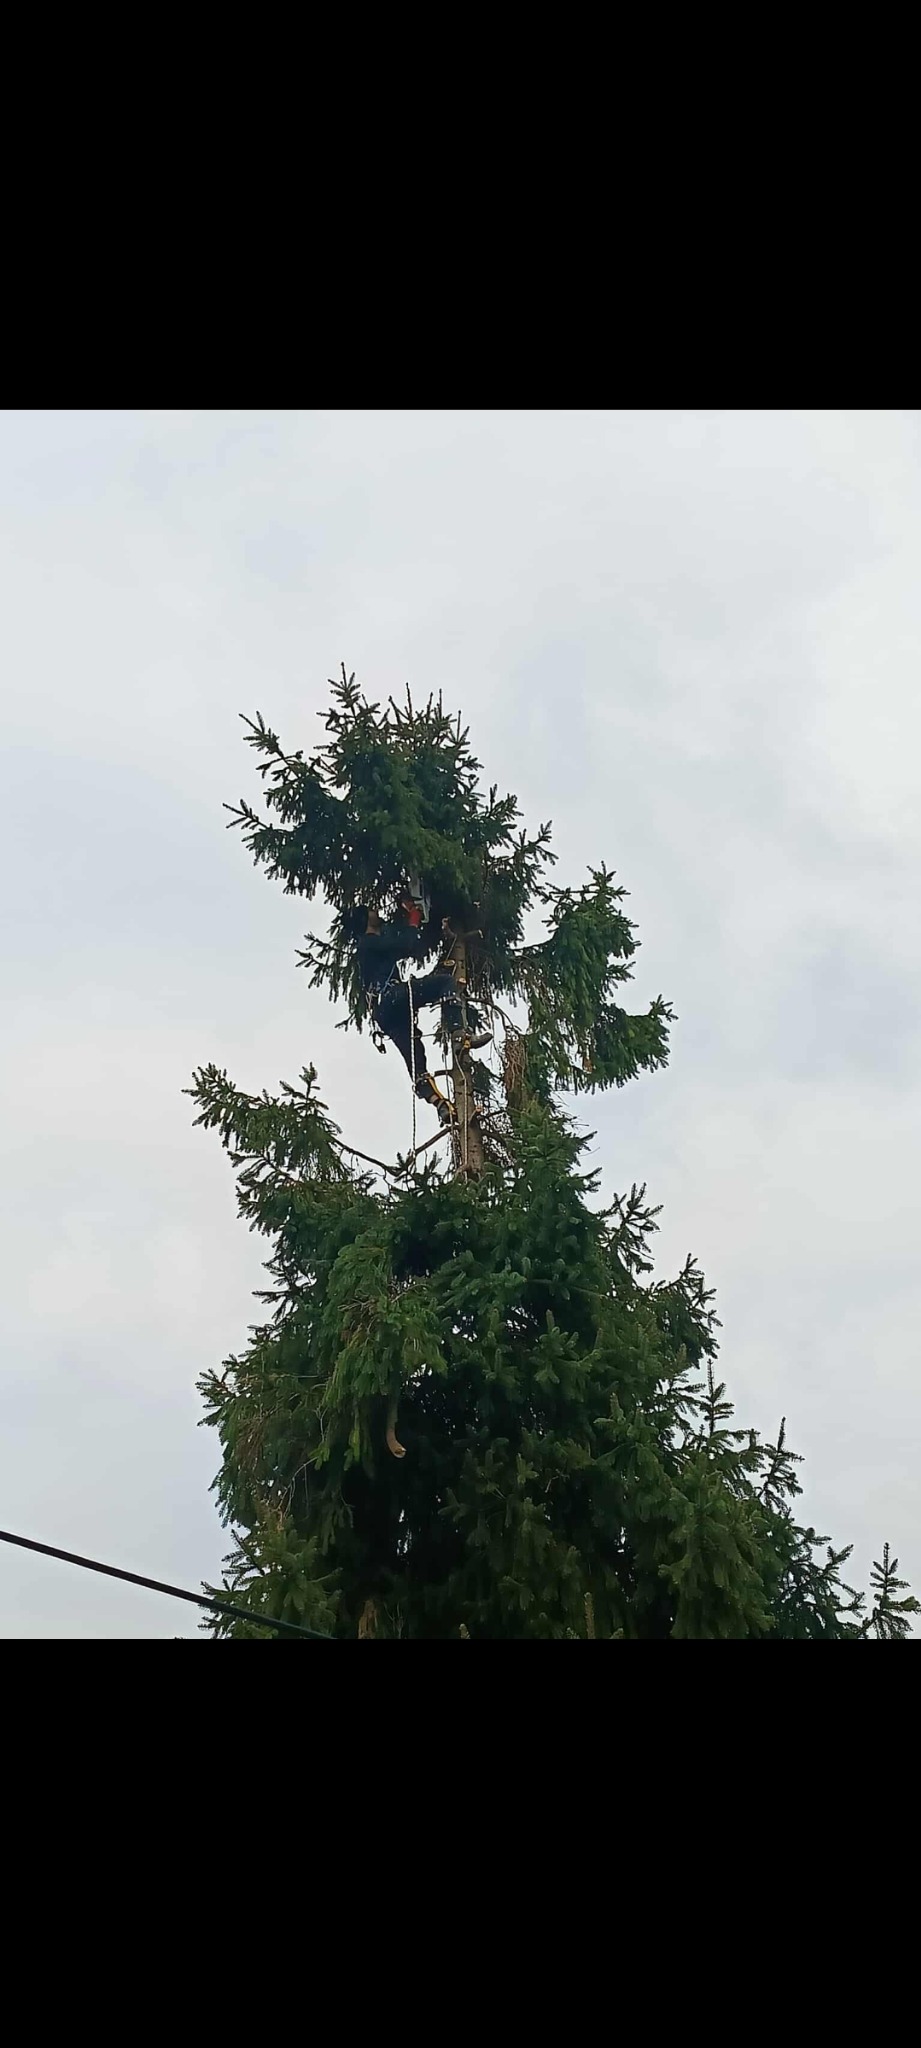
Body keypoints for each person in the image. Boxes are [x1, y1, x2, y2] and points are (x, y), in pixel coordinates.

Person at [352, 900, 489, 1122]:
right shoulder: (368, 942)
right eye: (371, 911)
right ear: (365, 921)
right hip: (392, 998)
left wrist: (428, 927)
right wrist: (414, 918)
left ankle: (441, 1105)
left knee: (415, 1055)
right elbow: (405, 944)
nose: (376, 911)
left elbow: (411, 946)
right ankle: (460, 1036)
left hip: (384, 1014)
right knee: (445, 983)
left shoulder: (370, 948)